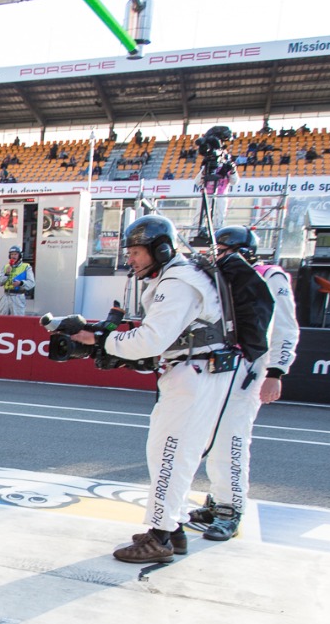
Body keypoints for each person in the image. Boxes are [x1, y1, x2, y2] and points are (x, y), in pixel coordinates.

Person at [72, 215, 251, 564]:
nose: (131, 259)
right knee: (172, 452)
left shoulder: (178, 281)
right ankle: (174, 528)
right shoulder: (179, 277)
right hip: (196, 373)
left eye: (137, 252)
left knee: (170, 452)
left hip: (195, 376)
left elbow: (152, 339)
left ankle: (160, 538)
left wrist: (101, 340)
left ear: (162, 248)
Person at [188, 227, 294, 541]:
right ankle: (217, 499)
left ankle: (230, 508)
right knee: (207, 438)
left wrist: (276, 372)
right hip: (216, 369)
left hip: (248, 370)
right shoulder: (218, 277)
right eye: (217, 249)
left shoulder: (270, 276)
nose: (219, 254)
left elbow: (286, 328)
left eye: (225, 249)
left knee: (230, 440)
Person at [0, 245, 34, 316]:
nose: (13, 256)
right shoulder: (6, 267)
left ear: (20, 255)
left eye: (15, 254)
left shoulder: (26, 267)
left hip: (18, 296)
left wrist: (21, 283)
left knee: (17, 320)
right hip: (6, 296)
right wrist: (6, 274)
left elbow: (31, 283)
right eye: (12, 254)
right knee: (1, 319)